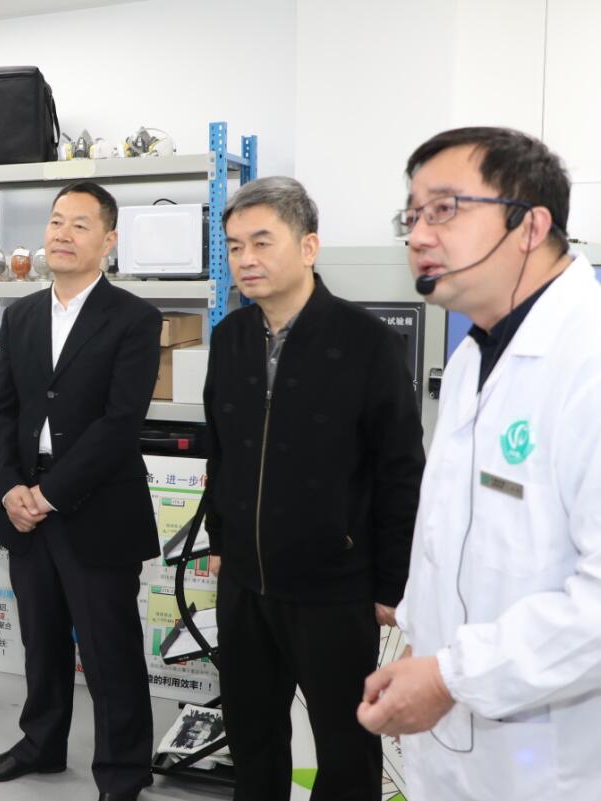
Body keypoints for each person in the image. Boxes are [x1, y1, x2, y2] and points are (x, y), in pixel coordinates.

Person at [357, 127, 601, 800]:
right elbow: (454, 532)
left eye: (444, 209)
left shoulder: (588, 359)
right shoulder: (473, 356)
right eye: (412, 215)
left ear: (531, 225)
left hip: (553, 763)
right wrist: (422, 640)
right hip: (456, 742)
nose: (418, 235)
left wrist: (450, 675)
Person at [202, 176, 425, 801]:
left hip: (333, 585)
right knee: (252, 736)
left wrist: (392, 583)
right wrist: (220, 539)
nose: (246, 258)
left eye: (262, 242)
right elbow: (221, 450)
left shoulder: (367, 342)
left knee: (346, 747)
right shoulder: (230, 337)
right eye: (235, 246)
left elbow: (400, 469)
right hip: (244, 582)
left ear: (308, 246)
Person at [0, 182, 160, 801]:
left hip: (95, 505)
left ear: (108, 241)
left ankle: (123, 772)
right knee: (41, 641)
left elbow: (120, 423)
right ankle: (42, 744)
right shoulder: (21, 315)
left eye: (80, 224)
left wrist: (48, 495)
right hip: (24, 505)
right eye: (56, 221)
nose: (62, 234)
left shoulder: (135, 317)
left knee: (110, 650)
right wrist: (11, 488)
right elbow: (1, 413)